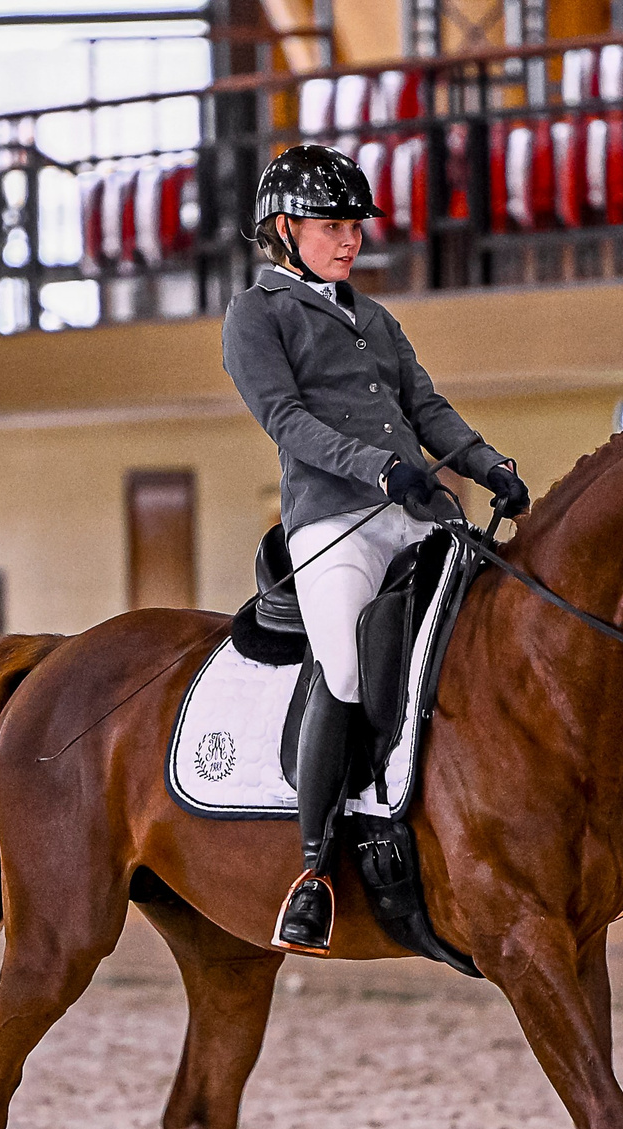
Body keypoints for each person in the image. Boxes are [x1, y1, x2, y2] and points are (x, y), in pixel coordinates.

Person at [221, 144, 531, 955]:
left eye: (354, 225)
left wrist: (485, 462)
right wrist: (377, 468)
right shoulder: (257, 314)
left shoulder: (374, 317)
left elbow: (425, 406)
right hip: (332, 522)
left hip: (413, 507)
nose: (349, 239)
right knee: (349, 667)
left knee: (478, 637)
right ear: (283, 229)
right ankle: (315, 870)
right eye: (332, 226)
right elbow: (286, 420)